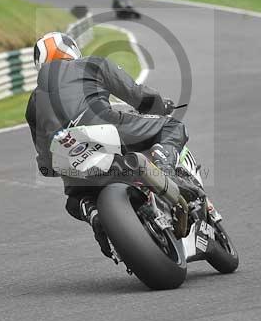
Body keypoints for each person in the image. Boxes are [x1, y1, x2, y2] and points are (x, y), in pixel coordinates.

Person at [25, 31, 186, 257]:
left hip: (69, 153)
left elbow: (45, 159)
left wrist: (52, 167)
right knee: (172, 127)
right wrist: (159, 106)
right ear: (71, 50)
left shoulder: (34, 101)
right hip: (105, 125)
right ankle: (165, 167)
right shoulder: (91, 65)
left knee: (74, 199)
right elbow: (137, 95)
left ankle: (92, 212)